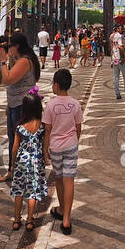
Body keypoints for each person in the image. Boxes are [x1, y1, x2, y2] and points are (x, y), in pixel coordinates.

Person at [44, 68, 83, 234]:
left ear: (57, 85)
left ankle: (60, 208)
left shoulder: (50, 105)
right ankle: (66, 218)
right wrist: (75, 140)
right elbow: (78, 126)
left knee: (59, 179)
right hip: (71, 145)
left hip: (56, 147)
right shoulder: (75, 104)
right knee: (70, 180)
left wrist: (45, 149)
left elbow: (47, 129)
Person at [0, 33, 39, 183]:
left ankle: (18, 172)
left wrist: (3, 61)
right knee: (14, 139)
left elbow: (7, 79)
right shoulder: (22, 60)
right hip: (16, 103)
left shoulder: (25, 61)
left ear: (18, 46)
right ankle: (14, 169)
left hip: (21, 105)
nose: (9, 48)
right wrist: (9, 59)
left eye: (10, 46)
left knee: (17, 140)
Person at [10, 92, 48, 231]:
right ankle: (30, 220)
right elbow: (45, 145)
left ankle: (16, 219)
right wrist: (46, 156)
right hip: (36, 162)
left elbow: (15, 148)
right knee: (33, 191)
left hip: (21, 162)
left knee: (19, 191)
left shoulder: (20, 127)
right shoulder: (42, 127)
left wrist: (12, 165)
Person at [110, 26, 125, 100]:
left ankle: (117, 93)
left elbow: (111, 47)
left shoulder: (112, 36)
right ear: (117, 29)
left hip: (114, 58)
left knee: (116, 77)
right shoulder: (119, 36)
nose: (122, 29)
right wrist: (123, 57)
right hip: (120, 58)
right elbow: (121, 47)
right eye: (120, 28)